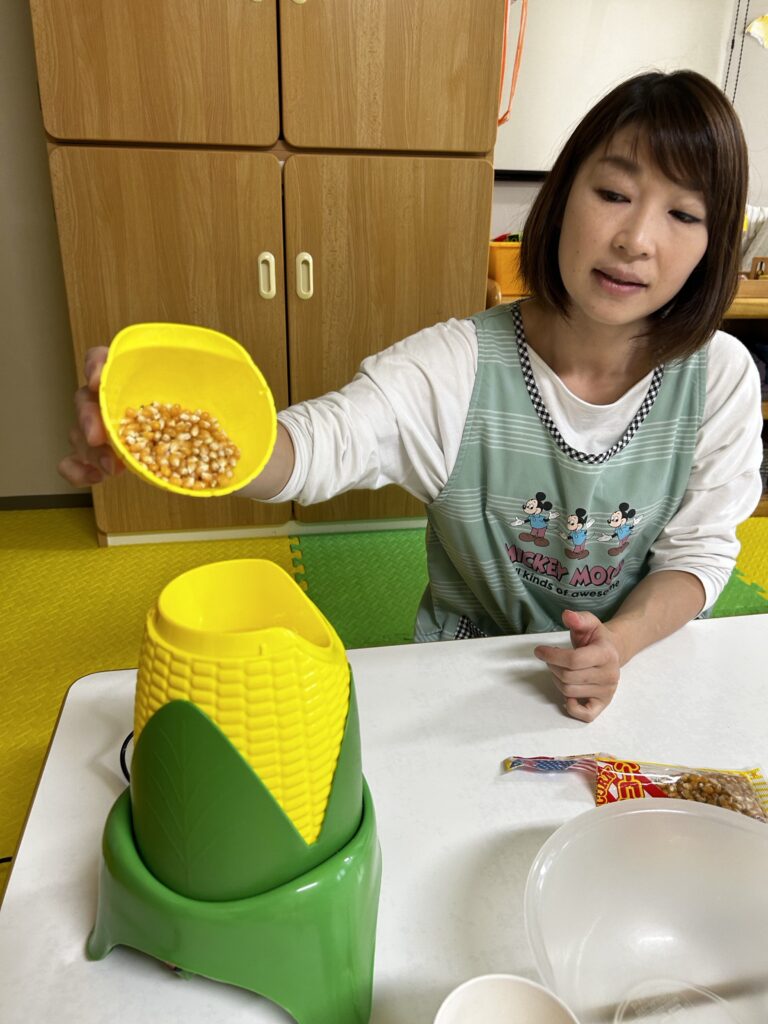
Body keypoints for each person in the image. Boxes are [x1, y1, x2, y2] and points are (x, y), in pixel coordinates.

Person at [60, 70, 764, 723]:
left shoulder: (719, 376)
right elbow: (315, 448)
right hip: (463, 670)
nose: (636, 240)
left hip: (636, 665)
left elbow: (698, 554)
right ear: (562, 197)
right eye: (613, 194)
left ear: (713, 245)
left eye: (684, 214)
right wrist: (171, 423)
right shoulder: (459, 367)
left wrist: (620, 642)